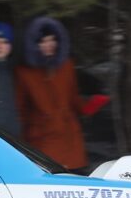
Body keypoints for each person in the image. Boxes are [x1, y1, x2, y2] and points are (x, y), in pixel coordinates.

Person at [15, 17, 109, 172]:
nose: (49, 44)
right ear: (34, 44)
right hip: (42, 139)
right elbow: (21, 110)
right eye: (43, 41)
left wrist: (93, 103)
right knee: (49, 178)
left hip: (69, 137)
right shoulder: (24, 73)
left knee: (74, 180)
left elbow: (73, 99)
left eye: (52, 40)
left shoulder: (66, 66)